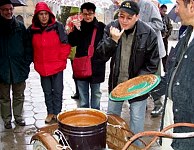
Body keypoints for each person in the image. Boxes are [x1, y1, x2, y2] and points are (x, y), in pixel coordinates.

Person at [96, 1, 159, 146]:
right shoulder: (111, 28)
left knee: (136, 122)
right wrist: (113, 40)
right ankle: (113, 145)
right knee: (112, 119)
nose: (124, 21)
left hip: (138, 87)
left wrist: (135, 85)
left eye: (129, 18)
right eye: (121, 16)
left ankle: (135, 147)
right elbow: (100, 56)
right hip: (116, 84)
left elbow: (152, 64)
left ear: (137, 17)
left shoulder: (148, 33)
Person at [151, 0, 194, 149]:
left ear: (192, 6)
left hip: (187, 121)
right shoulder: (187, 33)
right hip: (172, 109)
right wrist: (148, 88)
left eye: (178, 4)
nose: (175, 10)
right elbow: (173, 73)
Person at [28, 2, 71, 123]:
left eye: (45, 14)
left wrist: (61, 59)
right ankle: (50, 112)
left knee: (57, 90)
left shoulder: (58, 26)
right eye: (41, 14)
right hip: (42, 66)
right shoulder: (32, 30)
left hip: (57, 65)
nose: (43, 17)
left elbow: (65, 44)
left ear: (49, 14)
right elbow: (29, 47)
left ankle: (57, 113)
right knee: (47, 91)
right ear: (37, 16)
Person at [0, 0, 33, 129]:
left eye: (10, 9)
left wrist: (25, 64)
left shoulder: (20, 26)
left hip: (18, 68)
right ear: (0, 11)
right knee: (4, 97)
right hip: (2, 69)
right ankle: (7, 119)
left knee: (19, 95)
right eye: (5, 9)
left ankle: (18, 117)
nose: (8, 12)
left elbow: (28, 47)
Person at [68, 2, 106, 110]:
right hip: (82, 66)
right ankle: (85, 118)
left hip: (96, 66)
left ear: (94, 13)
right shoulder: (78, 26)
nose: (88, 16)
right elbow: (72, 42)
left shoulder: (101, 27)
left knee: (96, 94)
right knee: (83, 97)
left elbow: (105, 46)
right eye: (85, 14)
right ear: (82, 14)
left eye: (90, 14)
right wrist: (75, 30)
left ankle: (96, 116)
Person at [132, 0, 166, 117]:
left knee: (154, 79)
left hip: (154, 51)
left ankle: (158, 104)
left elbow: (159, 25)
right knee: (141, 78)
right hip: (139, 52)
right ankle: (143, 102)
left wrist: (140, 24)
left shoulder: (148, 5)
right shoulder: (129, 6)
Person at [160, 4, 173, 72]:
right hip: (158, 39)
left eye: (165, 11)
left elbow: (170, 27)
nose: (164, 13)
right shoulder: (157, 16)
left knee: (165, 55)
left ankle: (166, 70)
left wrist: (167, 35)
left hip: (165, 38)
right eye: (163, 11)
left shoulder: (166, 17)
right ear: (160, 9)